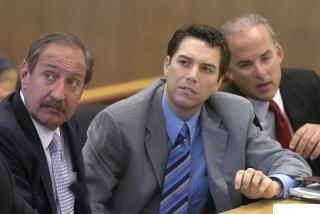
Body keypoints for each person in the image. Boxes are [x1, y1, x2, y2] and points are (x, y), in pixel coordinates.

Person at [82, 24, 311, 213]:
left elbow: (293, 164)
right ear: (166, 64)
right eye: (184, 62)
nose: (192, 76)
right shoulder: (117, 122)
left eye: (206, 69)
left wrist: (273, 185)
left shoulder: (235, 114)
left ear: (219, 82)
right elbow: (86, 203)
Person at [0, 32, 94, 214]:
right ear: (25, 75)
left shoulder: (66, 123)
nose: (59, 95)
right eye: (49, 76)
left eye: (73, 82)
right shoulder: (5, 135)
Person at [220, 13, 320, 175]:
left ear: (279, 53)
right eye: (245, 65)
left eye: (265, 58)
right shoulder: (223, 110)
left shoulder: (307, 82)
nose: (260, 72)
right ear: (228, 72)